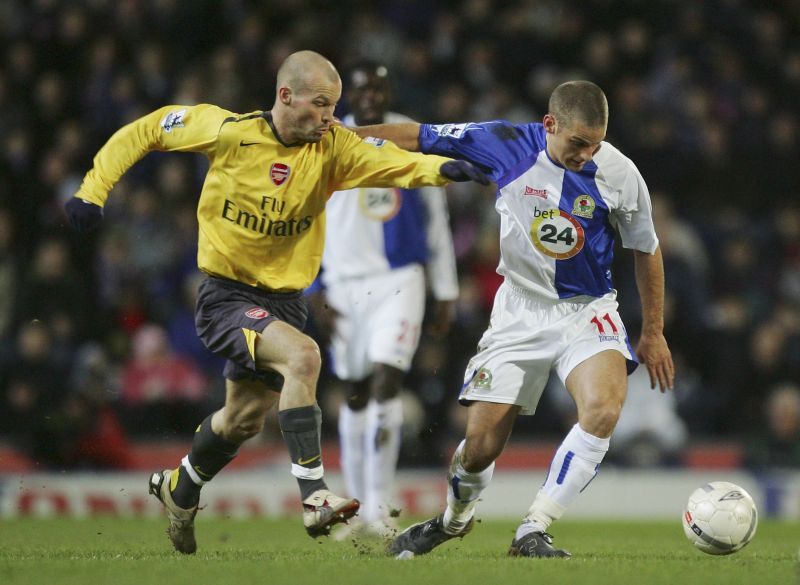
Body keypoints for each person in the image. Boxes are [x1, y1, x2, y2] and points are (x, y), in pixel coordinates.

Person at [64, 50, 489, 554]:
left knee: (240, 420)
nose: (331, 116)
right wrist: (92, 192)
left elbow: (395, 165)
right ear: (286, 97)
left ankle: (181, 487)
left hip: (286, 302)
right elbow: (148, 129)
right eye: (322, 104)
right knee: (304, 356)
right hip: (227, 295)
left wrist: (455, 169)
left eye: (335, 106)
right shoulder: (226, 131)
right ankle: (313, 497)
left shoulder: (332, 149)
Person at [351, 80, 674, 558]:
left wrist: (652, 331)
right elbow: (419, 136)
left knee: (604, 409)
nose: (587, 154)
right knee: (479, 446)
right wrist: (341, 135)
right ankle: (452, 520)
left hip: (587, 309)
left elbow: (646, 249)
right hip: (518, 310)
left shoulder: (620, 173)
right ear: (550, 124)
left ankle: (534, 528)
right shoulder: (503, 143)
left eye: (596, 142)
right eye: (578, 143)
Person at [307, 61, 459, 538]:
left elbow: (435, 216)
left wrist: (446, 290)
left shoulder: (407, 136)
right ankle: (356, 502)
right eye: (361, 89)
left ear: (387, 91)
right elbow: (304, 219)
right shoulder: (322, 145)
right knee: (353, 393)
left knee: (386, 382)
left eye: (378, 88)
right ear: (344, 96)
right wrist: (313, 290)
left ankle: (378, 504)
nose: (370, 96)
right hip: (343, 286)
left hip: (400, 280)